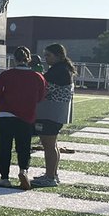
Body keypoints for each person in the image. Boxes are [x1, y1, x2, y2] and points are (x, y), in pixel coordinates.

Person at [0, 46, 47, 190]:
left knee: (4, 146)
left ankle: (4, 178)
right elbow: (41, 97)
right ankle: (23, 171)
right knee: (24, 146)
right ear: (29, 59)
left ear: (14, 59)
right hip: (26, 116)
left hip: (5, 114)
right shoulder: (37, 77)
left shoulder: (6, 74)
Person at [32, 44, 76, 187]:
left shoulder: (59, 71)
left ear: (59, 56)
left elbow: (43, 90)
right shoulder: (62, 69)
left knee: (49, 146)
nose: (45, 59)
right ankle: (52, 174)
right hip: (55, 113)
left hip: (51, 113)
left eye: (48, 55)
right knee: (52, 145)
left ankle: (50, 177)